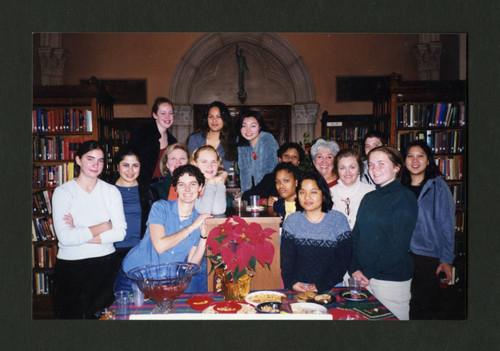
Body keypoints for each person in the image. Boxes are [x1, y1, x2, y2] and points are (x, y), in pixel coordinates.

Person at [51, 140, 126, 319]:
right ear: (78, 160)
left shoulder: (111, 192)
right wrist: (104, 226)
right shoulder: (63, 193)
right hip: (70, 268)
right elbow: (65, 238)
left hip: (104, 265)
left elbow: (120, 233)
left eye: (100, 160)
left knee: (101, 324)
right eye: (90, 159)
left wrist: (79, 230)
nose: (95, 165)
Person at [114, 165, 212, 293]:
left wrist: (203, 237)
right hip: (135, 276)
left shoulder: (199, 220)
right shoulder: (160, 208)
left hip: (164, 283)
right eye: (181, 184)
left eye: (193, 184)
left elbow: (192, 265)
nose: (187, 189)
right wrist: (192, 227)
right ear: (175, 188)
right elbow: (160, 246)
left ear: (200, 187)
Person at [349, 146, 418, 320]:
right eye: (371, 165)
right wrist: (354, 269)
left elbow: (398, 245)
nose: (374, 169)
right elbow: (356, 236)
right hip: (362, 277)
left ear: (397, 167)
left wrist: (367, 272)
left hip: (390, 279)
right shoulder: (369, 198)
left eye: (381, 163)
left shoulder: (405, 197)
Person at [401, 140, 455, 320]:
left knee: (422, 309)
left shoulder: (438, 187)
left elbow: (447, 225)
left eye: (420, 156)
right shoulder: (399, 187)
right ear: (404, 160)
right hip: (402, 257)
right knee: (403, 307)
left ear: (428, 160)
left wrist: (446, 259)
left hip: (427, 258)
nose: (415, 160)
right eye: (410, 156)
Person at [281, 172, 352, 293]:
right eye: (302, 192)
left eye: (313, 192)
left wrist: (324, 284)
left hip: (332, 287)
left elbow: (344, 259)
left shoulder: (338, 220)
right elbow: (286, 259)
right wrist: (291, 282)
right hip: (299, 288)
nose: (307, 197)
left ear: (323, 194)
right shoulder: (292, 221)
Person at [113, 144, 159, 264]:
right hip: (111, 252)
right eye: (125, 165)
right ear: (117, 166)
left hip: (140, 251)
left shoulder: (150, 193)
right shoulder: (106, 190)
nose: (130, 170)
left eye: (135, 165)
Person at [129, 97, 177, 183]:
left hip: (164, 184)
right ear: (155, 115)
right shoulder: (142, 132)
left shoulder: (172, 141)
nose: (168, 117)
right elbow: (131, 158)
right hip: (143, 183)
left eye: (170, 113)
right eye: (163, 113)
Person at [242, 142, 305, 206]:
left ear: (298, 162)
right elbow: (246, 197)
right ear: (280, 159)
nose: (290, 160)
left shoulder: (305, 179)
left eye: (294, 157)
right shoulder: (270, 179)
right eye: (286, 156)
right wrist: (265, 201)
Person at [330, 148, 375, 230]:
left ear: (359, 169)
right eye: (342, 168)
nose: (347, 172)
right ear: (337, 170)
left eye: (352, 167)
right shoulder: (330, 193)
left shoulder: (372, 191)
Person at [187, 101, 237, 172]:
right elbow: (192, 166)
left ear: (225, 119)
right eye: (211, 116)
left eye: (218, 116)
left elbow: (224, 171)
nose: (214, 120)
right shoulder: (195, 139)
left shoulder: (231, 142)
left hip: (219, 181)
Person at [237, 110, 279, 193]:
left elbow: (267, 171)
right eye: (244, 126)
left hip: (273, 187)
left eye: (253, 126)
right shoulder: (241, 142)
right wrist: (244, 194)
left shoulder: (267, 139)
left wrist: (257, 194)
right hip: (259, 189)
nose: (248, 130)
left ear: (260, 127)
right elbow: (244, 170)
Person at [190, 145, 227, 215]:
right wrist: (210, 185)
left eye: (214, 162)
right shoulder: (189, 184)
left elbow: (218, 210)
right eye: (204, 162)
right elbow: (204, 211)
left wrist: (220, 185)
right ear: (194, 164)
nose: (210, 166)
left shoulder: (217, 184)